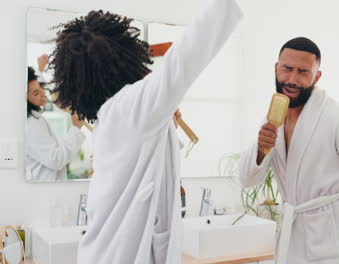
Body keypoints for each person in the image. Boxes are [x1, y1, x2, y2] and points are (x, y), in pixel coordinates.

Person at [47, 0, 243, 263]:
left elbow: (148, 162)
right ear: (124, 57)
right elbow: (183, 61)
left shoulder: (114, 115)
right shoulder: (129, 107)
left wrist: (165, 123)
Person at [239, 37, 339, 264]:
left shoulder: (338, 117)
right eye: (287, 69)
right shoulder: (272, 120)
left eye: (303, 72)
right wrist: (262, 150)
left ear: (316, 76)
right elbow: (247, 179)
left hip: (334, 241)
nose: (292, 79)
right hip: (292, 241)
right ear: (276, 68)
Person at [26, 66, 85, 181]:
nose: (43, 93)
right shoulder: (32, 123)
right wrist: (75, 128)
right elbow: (55, 159)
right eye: (36, 93)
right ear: (25, 100)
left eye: (40, 87)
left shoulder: (35, 119)